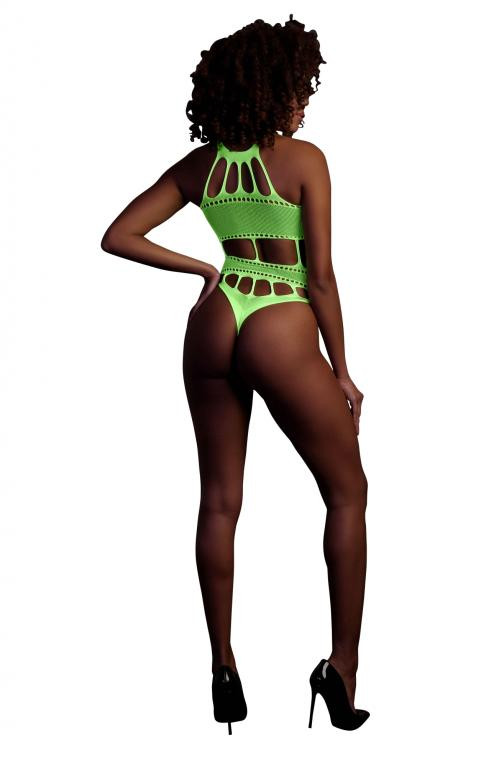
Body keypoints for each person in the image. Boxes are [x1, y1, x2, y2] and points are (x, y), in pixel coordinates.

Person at [100, 14, 370, 734]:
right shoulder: (305, 160)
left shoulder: (200, 168)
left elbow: (118, 235)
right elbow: (320, 277)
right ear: (275, 87)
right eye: (299, 88)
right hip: (280, 318)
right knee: (348, 493)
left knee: (219, 501)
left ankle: (222, 665)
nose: (304, 102)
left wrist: (202, 267)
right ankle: (340, 670)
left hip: (216, 320)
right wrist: (343, 370)